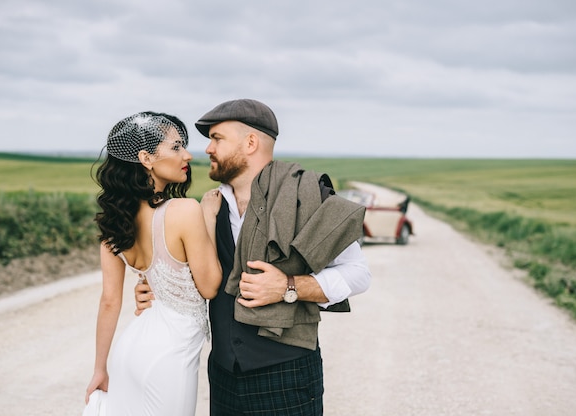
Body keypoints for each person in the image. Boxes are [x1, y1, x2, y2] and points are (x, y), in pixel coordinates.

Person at [135, 99, 371, 415]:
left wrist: (290, 286)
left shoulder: (309, 196)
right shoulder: (206, 208)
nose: (207, 149)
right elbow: (194, 276)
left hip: (287, 374)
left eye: (217, 138)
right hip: (222, 375)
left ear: (250, 142)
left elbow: (358, 273)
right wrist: (156, 290)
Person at [84, 111, 222, 416]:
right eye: (175, 147)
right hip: (169, 356)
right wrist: (209, 218)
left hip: (128, 351)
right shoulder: (186, 210)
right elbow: (210, 285)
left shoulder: (116, 225)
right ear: (146, 158)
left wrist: (99, 368)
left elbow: (109, 301)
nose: (187, 154)